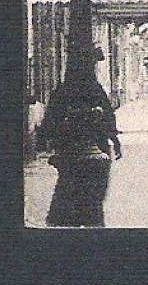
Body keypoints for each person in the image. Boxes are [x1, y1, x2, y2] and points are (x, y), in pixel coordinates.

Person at [43, 63, 122, 227]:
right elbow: (109, 117)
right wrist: (115, 141)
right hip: (97, 152)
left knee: (68, 191)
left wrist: (49, 140)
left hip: (69, 152)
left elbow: (49, 123)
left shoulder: (62, 91)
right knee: (94, 198)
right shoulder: (96, 90)